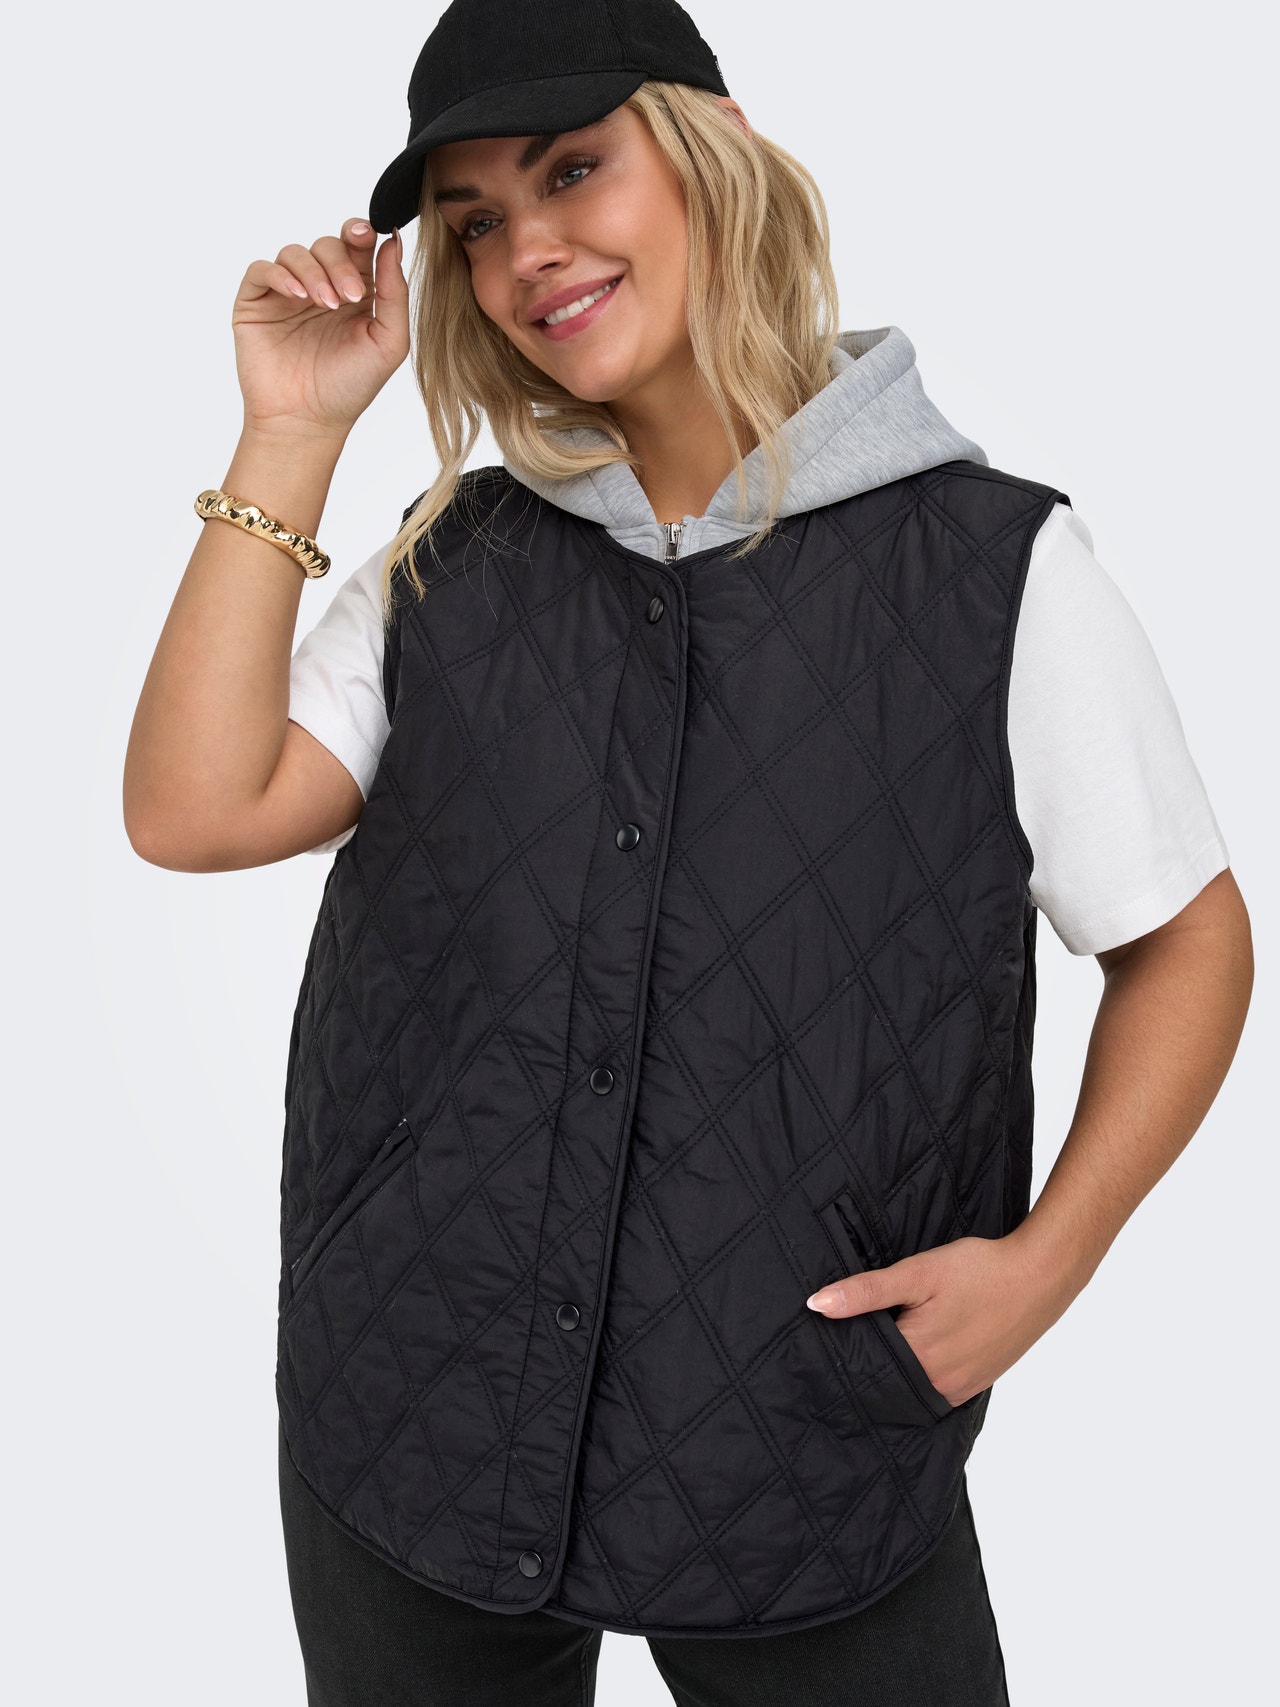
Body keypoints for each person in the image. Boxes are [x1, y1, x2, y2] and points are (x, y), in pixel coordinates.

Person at [123, 1, 1254, 1702]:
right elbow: (193, 812)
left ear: (711, 148)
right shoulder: (451, 564)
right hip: (417, 1407)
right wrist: (290, 433)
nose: (528, 249)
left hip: (804, 1446)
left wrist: (1052, 1261)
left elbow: (1186, 940)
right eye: (475, 222)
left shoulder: (993, 573)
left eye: (574, 169)